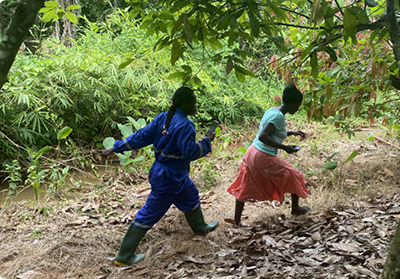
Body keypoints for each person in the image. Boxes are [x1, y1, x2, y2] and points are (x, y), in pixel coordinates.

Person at [102, 86, 218, 266]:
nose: (196, 106)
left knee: (190, 194)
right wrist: (207, 141)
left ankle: (200, 227)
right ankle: (124, 256)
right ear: (185, 104)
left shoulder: (163, 118)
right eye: (193, 102)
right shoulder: (185, 125)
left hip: (167, 172)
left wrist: (115, 147)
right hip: (170, 177)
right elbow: (190, 152)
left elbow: (140, 137)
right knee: (149, 213)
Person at [227, 83, 310, 226]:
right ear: (291, 103)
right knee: (295, 174)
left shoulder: (273, 111)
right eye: (297, 105)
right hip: (263, 156)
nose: (298, 108)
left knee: (244, 185)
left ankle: (236, 221)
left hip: (252, 152)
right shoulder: (278, 117)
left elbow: (273, 131)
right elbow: (263, 136)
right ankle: (295, 209)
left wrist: (292, 132)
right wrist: (285, 148)